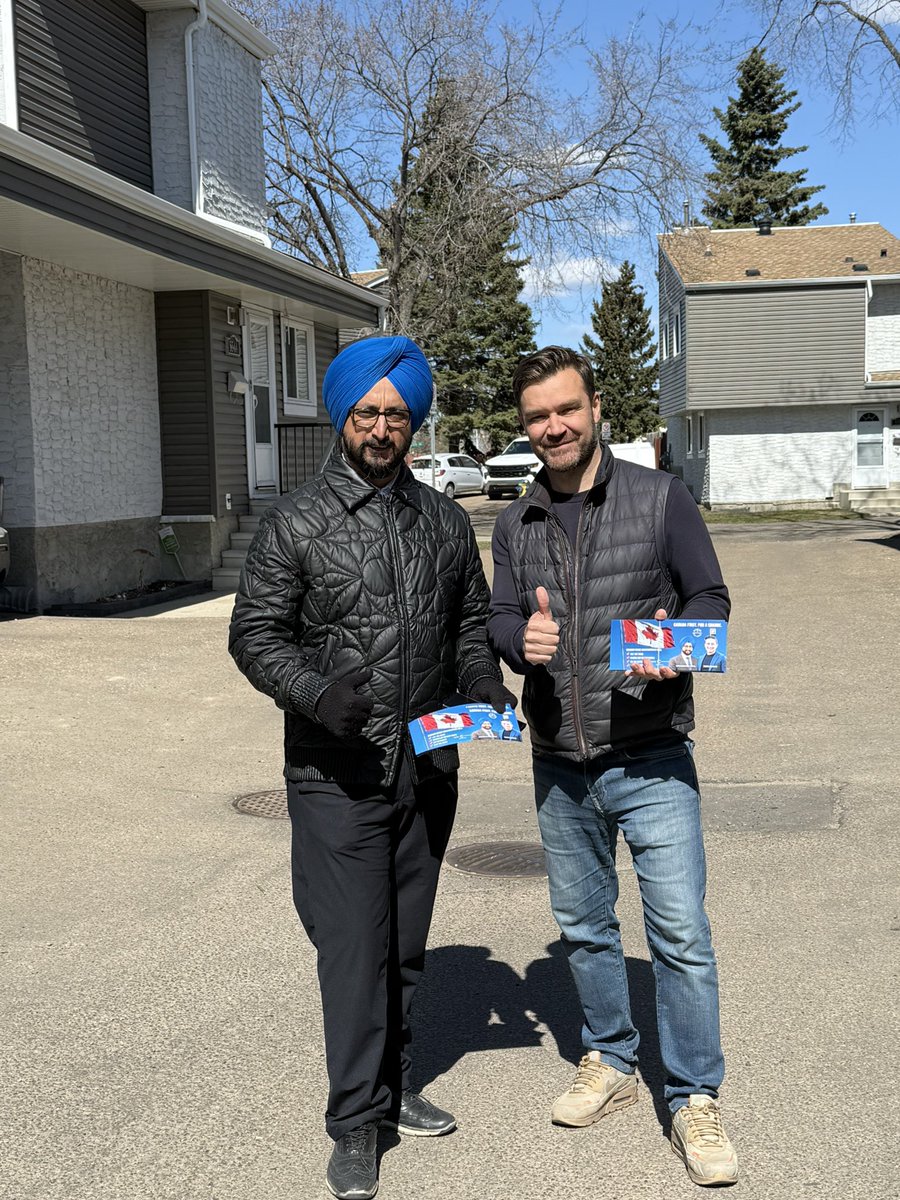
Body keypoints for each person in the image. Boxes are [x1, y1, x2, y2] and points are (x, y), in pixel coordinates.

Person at [229, 335, 515, 1200]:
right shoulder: (296, 523)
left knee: (406, 945)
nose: (382, 427)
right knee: (354, 950)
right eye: (368, 412)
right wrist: (316, 694)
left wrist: (483, 686)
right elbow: (254, 635)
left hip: (426, 768)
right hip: (334, 773)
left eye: (396, 414)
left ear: (412, 421)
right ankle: (354, 1124)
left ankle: (393, 1091)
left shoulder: (442, 522)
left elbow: (469, 623)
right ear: (343, 416)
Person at [487, 346, 737, 1188]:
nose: (552, 426)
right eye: (536, 416)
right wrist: (516, 642)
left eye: (565, 409)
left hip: (652, 753)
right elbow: (498, 616)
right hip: (560, 762)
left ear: (593, 407)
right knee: (586, 929)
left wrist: (675, 647)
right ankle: (612, 1062)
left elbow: (710, 600)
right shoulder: (514, 522)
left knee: (680, 934)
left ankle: (696, 1096)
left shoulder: (661, 499)